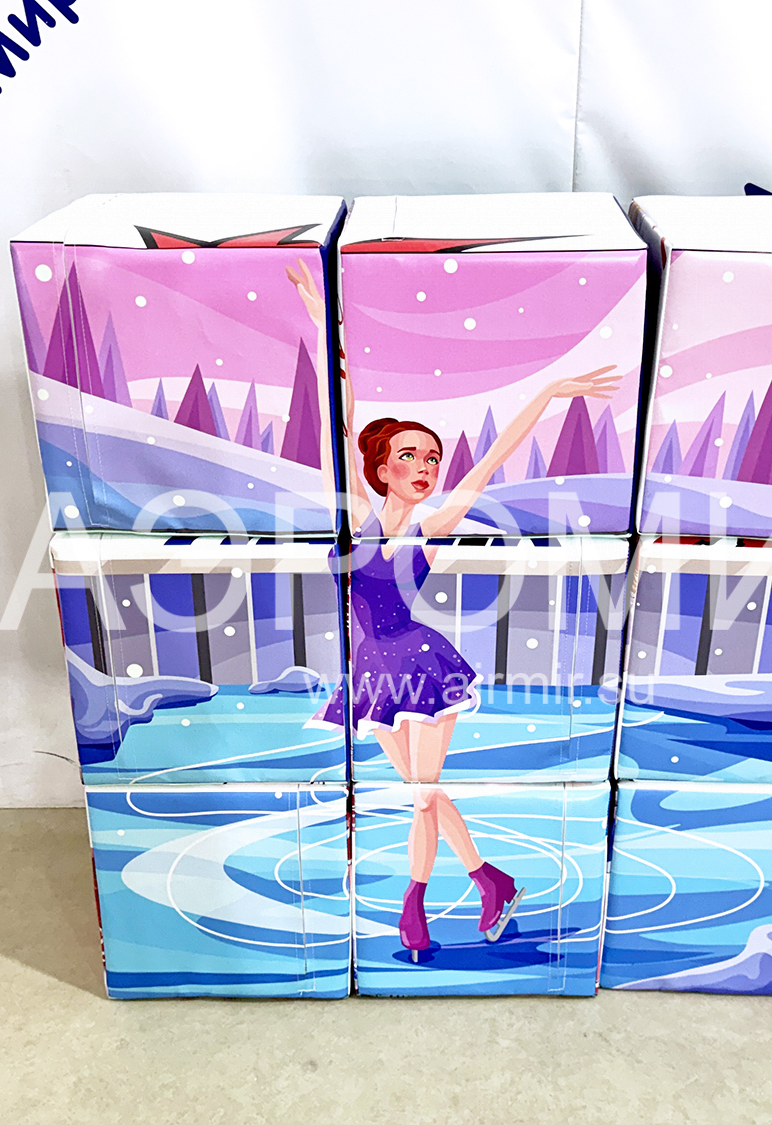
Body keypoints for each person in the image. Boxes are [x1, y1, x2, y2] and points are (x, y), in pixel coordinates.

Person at [289, 260, 620, 956]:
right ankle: (490, 879)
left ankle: (414, 909)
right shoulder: (354, 516)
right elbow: (337, 419)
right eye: (410, 455)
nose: (425, 466)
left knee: (420, 794)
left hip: (420, 666)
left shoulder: (432, 526)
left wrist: (549, 394)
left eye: (432, 458)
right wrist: (324, 328)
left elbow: (494, 457)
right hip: (372, 671)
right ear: (380, 468)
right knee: (427, 792)